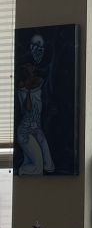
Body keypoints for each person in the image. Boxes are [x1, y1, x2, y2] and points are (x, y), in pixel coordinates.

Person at [16, 32, 55, 176]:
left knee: (48, 165)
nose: (31, 67)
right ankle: (20, 172)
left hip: (36, 128)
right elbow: (27, 108)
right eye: (28, 66)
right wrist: (27, 91)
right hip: (25, 132)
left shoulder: (40, 82)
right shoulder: (22, 88)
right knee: (37, 168)